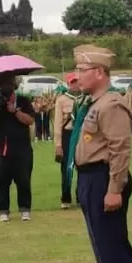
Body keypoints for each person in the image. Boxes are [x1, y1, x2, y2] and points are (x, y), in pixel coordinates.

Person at [69, 44, 132, 263]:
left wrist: (114, 189)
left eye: (83, 71)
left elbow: (120, 150)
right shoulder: (94, 103)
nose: (77, 76)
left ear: (99, 73)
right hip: (89, 178)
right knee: (102, 248)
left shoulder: (111, 105)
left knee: (113, 248)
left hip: (105, 178)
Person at [0, 73, 36, 222]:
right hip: (0, 147)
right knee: (1, 179)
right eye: (3, 84)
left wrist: (15, 111)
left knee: (24, 179)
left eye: (9, 83)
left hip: (22, 147)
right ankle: (3, 210)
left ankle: (25, 209)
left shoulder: (23, 101)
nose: (6, 87)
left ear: (14, 85)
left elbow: (30, 120)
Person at [54, 74, 81, 209]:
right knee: (66, 168)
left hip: (83, 135)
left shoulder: (86, 98)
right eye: (73, 82)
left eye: (77, 81)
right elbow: (58, 123)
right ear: (68, 84)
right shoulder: (61, 100)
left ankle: (81, 197)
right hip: (67, 135)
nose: (75, 84)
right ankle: (66, 198)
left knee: (83, 166)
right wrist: (58, 144)